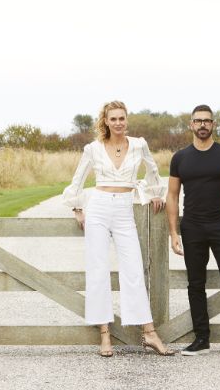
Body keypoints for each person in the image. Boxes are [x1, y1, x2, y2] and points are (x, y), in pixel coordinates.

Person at [63, 100, 174, 357]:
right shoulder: (93, 148)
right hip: (99, 208)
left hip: (124, 210)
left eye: (122, 118)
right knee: (98, 270)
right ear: (106, 121)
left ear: (127, 119)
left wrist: (155, 192)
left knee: (134, 269)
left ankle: (149, 333)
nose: (118, 123)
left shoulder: (139, 144)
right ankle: (105, 335)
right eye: (113, 119)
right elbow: (77, 180)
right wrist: (78, 208)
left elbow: (153, 170)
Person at [166, 104, 220, 359]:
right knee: (195, 284)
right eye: (198, 121)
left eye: (207, 121)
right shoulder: (180, 158)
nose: (202, 125)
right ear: (191, 125)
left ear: (213, 125)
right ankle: (201, 339)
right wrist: (174, 232)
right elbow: (171, 195)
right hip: (192, 227)